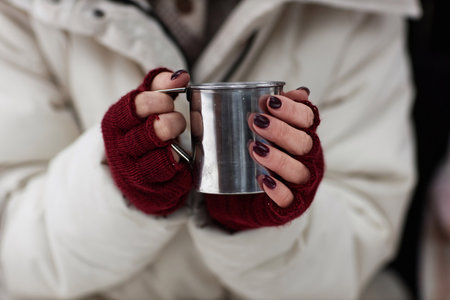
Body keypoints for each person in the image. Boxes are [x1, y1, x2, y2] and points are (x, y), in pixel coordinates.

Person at [0, 0, 419, 299]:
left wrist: (259, 225)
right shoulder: (20, 10)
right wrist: (117, 185)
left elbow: (359, 250)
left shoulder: (363, 10)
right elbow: (12, 252)